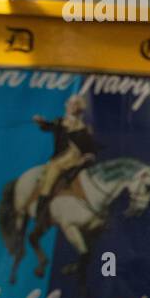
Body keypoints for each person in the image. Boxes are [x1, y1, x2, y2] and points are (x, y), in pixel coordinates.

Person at [23, 94, 96, 224]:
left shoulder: (84, 127)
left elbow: (89, 146)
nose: (71, 106)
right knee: (49, 181)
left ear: (79, 108)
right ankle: (41, 213)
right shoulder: (59, 122)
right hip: (60, 160)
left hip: (77, 161)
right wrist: (41, 121)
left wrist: (89, 155)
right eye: (70, 103)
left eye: (75, 104)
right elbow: (48, 126)